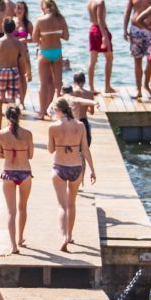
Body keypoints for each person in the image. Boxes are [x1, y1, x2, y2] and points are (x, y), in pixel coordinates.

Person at [48, 99, 97, 252]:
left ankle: (63, 237)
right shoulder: (81, 125)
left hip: (59, 167)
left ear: (57, 110)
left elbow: (50, 150)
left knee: (62, 206)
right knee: (71, 204)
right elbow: (85, 150)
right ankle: (69, 235)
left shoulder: (53, 127)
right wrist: (92, 169)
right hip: (77, 167)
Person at [0, 106, 34, 254]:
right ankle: (20, 237)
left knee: (11, 212)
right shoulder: (28, 134)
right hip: (25, 172)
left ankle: (13, 246)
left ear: (6, 117)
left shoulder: (0, 134)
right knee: (22, 207)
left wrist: (8, 152)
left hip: (8, 173)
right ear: (20, 116)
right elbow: (30, 155)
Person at [32, 0, 69, 120]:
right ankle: (60, 113)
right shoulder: (61, 19)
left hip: (44, 52)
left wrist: (44, 37)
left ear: (44, 7)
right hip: (57, 52)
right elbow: (66, 36)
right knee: (58, 84)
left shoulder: (40, 20)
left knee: (43, 84)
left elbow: (34, 39)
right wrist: (55, 34)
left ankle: (42, 112)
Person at [0, 18, 27, 130]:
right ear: (14, 28)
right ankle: (11, 127)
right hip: (13, 71)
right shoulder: (18, 43)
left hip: (2, 71)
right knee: (12, 102)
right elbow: (23, 59)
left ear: (3, 28)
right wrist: (25, 72)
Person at [87, 0, 115, 94]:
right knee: (109, 58)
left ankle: (91, 88)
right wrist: (105, 37)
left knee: (93, 60)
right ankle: (107, 87)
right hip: (100, 30)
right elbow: (100, 20)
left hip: (92, 29)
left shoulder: (90, 0)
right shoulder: (100, 2)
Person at [12, 1, 35, 107]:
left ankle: (21, 100)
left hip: (23, 52)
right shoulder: (11, 21)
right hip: (11, 51)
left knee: (22, 76)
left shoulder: (27, 24)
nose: (19, 10)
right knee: (13, 76)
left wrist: (25, 41)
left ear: (25, 10)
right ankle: (13, 99)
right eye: (17, 8)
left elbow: (35, 39)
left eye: (21, 8)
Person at [67, 72, 99, 146]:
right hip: (84, 121)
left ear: (74, 81)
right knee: (85, 145)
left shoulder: (72, 93)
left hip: (74, 120)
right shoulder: (90, 94)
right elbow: (92, 112)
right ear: (84, 81)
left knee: (73, 145)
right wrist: (86, 107)